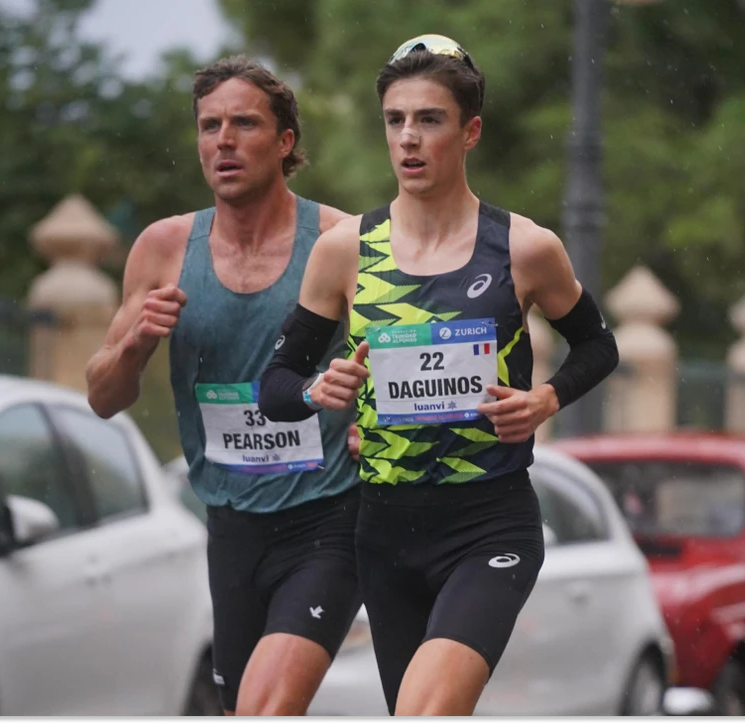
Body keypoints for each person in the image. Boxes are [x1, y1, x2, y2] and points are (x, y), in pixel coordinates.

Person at [258, 34, 619, 716]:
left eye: (430, 119)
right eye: (395, 120)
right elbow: (275, 387)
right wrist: (315, 390)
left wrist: (545, 399)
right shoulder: (343, 252)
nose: (409, 138)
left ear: (470, 132)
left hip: (489, 525)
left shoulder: (524, 247)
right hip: (385, 533)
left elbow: (599, 346)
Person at [85, 55, 362, 717]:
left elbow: (391, 358)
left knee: (270, 704)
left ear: (285, 141)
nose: (224, 142)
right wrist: (136, 343)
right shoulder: (163, 248)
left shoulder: (340, 239)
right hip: (230, 524)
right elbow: (102, 397)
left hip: (329, 516)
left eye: (244, 124)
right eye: (210, 126)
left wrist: (367, 416)